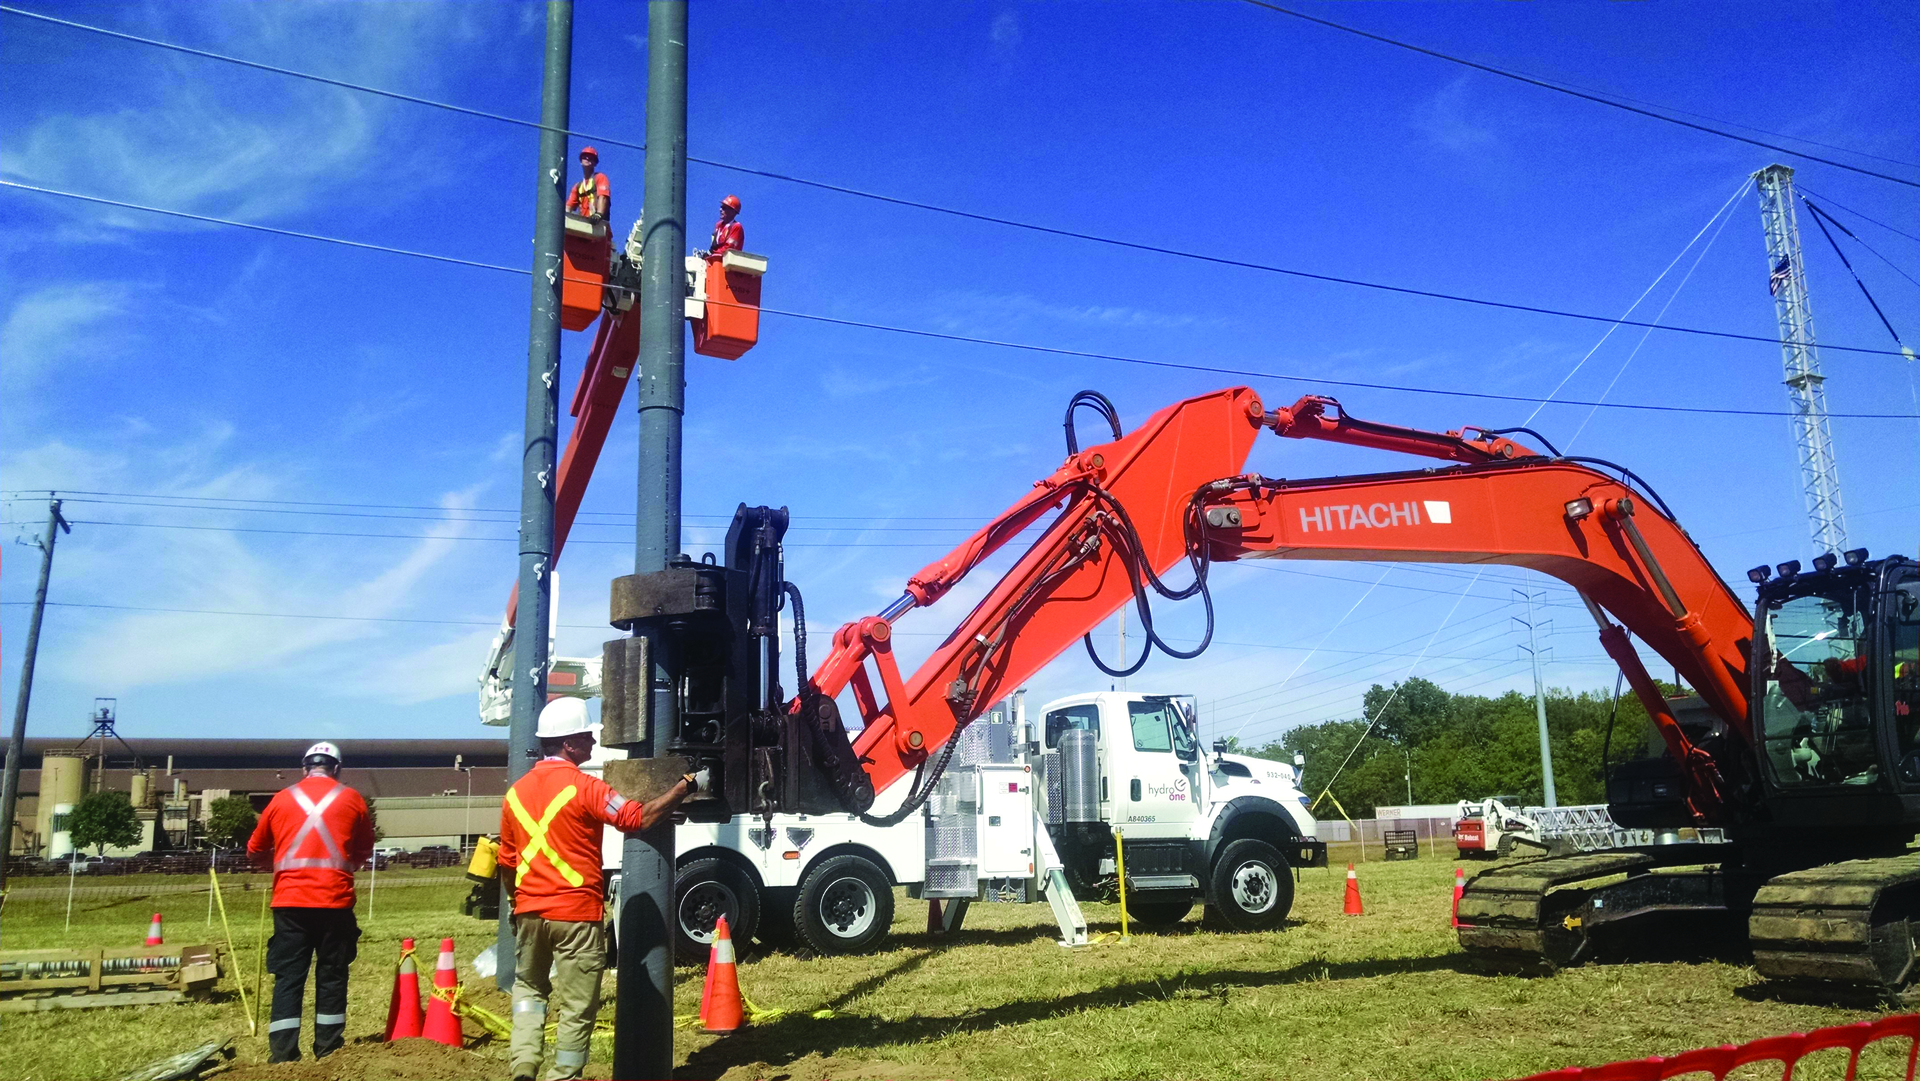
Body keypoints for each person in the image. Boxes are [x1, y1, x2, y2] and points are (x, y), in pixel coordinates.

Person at [499, 699, 704, 1081]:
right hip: (575, 915)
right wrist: (685, 786)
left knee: (528, 992)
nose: (593, 741)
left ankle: (523, 1068)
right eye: (586, 736)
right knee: (577, 1007)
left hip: (529, 913)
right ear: (569, 744)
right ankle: (564, 1075)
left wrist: (517, 904)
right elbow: (637, 818)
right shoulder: (586, 787)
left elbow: (508, 863)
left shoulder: (515, 794)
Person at [246, 741, 376, 1063]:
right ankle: (329, 1052)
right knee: (332, 976)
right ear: (338, 770)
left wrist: (273, 865)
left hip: (290, 903)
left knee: (289, 977)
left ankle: (283, 1055)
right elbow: (364, 850)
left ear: (304, 768)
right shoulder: (353, 799)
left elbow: (254, 850)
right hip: (336, 902)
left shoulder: (280, 800)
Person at [566, 146, 610, 223]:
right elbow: (568, 207)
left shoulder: (600, 178)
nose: (587, 158)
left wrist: (598, 215)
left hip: (598, 225)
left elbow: (603, 197)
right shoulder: (578, 186)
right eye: (584, 157)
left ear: (595, 163)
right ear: (581, 161)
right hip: (583, 225)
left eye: (591, 157)